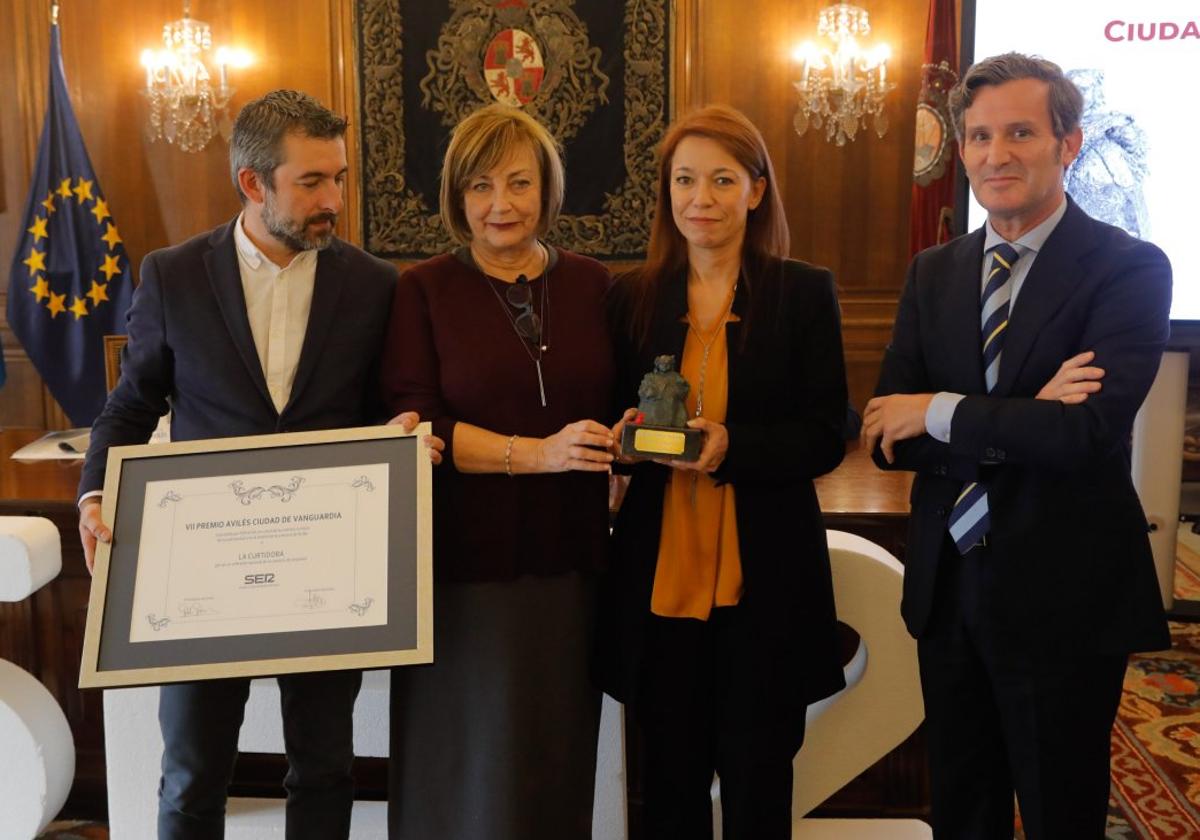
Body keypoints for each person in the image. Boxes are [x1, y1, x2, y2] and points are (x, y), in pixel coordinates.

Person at [77, 90, 440, 840]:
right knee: (192, 776)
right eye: (312, 182)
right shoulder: (173, 276)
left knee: (325, 768)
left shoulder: (375, 284)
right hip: (205, 572)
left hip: (326, 569)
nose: (334, 199)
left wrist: (404, 432)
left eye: (338, 177)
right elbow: (130, 406)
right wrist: (91, 496)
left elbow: (390, 409)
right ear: (252, 183)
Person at [864, 53, 1171, 839]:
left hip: (1065, 596)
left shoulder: (1127, 267)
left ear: (1067, 144)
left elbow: (1085, 434)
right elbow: (884, 439)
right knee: (961, 809)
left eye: (1021, 133)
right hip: (948, 589)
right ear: (961, 149)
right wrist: (1019, 416)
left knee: (1059, 807)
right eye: (979, 136)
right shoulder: (933, 273)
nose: (996, 154)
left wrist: (936, 410)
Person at [598, 104, 848, 838]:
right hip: (657, 583)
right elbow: (615, 420)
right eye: (683, 180)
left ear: (756, 190)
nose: (699, 199)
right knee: (668, 793)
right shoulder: (631, 296)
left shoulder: (802, 293)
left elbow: (828, 435)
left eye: (720, 180)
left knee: (758, 789)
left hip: (763, 587)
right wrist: (621, 442)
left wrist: (733, 446)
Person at [379, 103, 613, 839]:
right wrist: (535, 455)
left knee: (554, 753)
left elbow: (628, 407)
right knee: (464, 762)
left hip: (571, 562)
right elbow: (423, 423)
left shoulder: (597, 286)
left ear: (547, 189)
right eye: (480, 186)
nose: (500, 205)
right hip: (461, 567)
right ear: (457, 197)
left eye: (518, 183)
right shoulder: (422, 288)